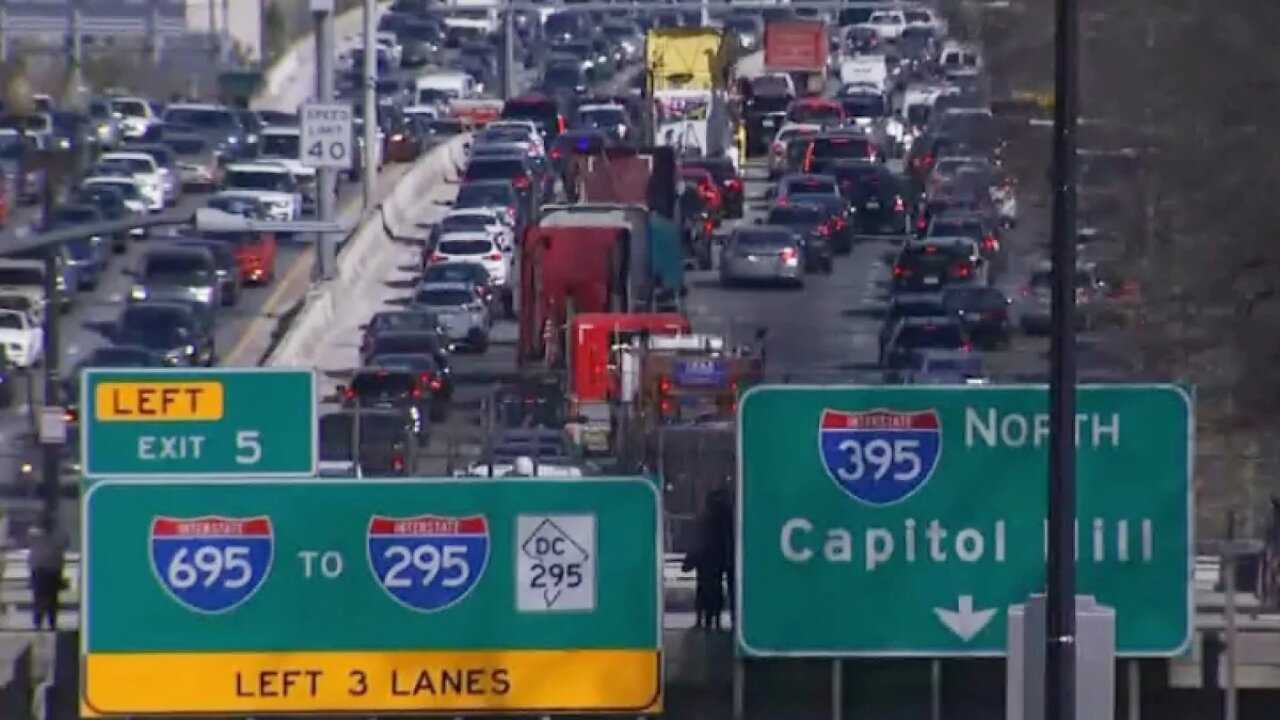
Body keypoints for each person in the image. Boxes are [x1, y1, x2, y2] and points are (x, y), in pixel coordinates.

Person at [28, 524, 67, 631]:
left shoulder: (34, 534)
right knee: (52, 597)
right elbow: (64, 544)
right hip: (52, 567)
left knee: (39, 596)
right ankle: (51, 622)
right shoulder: (59, 535)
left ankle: (39, 622)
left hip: (40, 567)